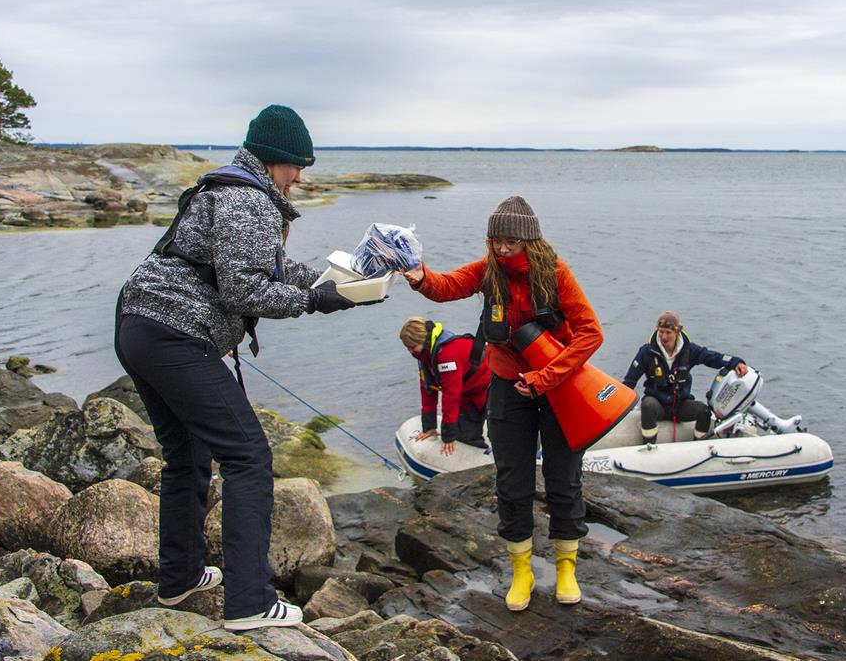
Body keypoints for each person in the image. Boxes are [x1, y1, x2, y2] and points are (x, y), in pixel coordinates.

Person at [114, 105, 369, 631]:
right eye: (298, 165)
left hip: (139, 328)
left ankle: (180, 577)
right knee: (249, 455)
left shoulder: (230, 191)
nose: (301, 176)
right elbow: (243, 290)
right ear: (275, 159)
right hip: (175, 337)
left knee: (187, 455)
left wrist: (333, 285)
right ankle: (250, 601)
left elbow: (265, 269)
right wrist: (315, 302)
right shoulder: (248, 201)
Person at [402, 195, 603, 612]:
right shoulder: (490, 271)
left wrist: (547, 375)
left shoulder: (555, 274)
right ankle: (521, 571)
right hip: (507, 388)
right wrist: (421, 277)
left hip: (557, 388)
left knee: (563, 479)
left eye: (510, 240)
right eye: (496, 239)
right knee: (511, 483)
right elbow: (449, 285)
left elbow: (590, 332)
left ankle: (566, 567)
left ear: (529, 239)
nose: (502, 248)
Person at [622, 311, 748, 443]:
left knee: (704, 412)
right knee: (648, 405)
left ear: (677, 331)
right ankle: (648, 446)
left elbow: (712, 358)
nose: (664, 337)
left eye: (668, 332)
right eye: (661, 331)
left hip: (680, 404)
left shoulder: (689, 350)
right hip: (657, 403)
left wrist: (735, 362)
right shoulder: (646, 352)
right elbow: (630, 381)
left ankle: (699, 446)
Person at [400, 316, 491, 456]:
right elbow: (428, 389)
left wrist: (447, 435)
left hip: (490, 387)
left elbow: (451, 395)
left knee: (500, 433)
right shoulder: (425, 357)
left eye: (412, 347)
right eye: (407, 348)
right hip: (468, 395)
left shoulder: (446, 355)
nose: (410, 352)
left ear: (423, 341)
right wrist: (429, 427)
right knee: (465, 437)